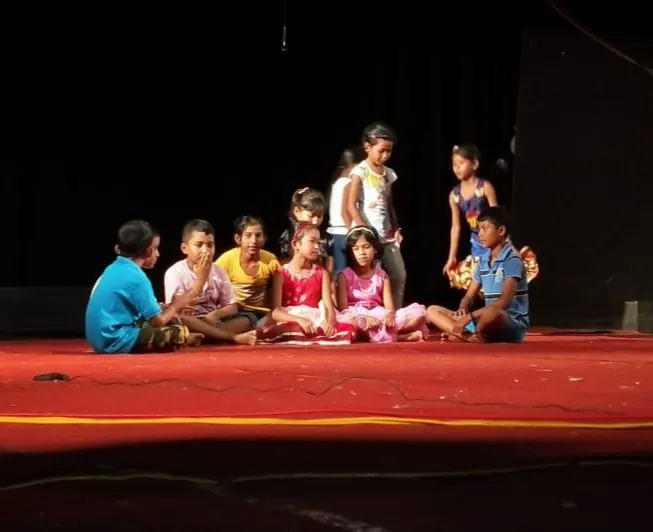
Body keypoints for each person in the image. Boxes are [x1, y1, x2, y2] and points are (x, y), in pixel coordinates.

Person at [86, 220, 203, 354]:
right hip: (116, 340)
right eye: (156, 248)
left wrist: (164, 307)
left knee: (168, 317)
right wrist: (176, 305)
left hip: (98, 340)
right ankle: (184, 338)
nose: (158, 254)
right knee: (178, 329)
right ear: (148, 251)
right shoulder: (137, 277)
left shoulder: (112, 269)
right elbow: (158, 322)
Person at [443, 143, 539, 291]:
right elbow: (455, 227)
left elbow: (497, 216)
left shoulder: (484, 187)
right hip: (477, 243)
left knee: (500, 277)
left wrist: (505, 242)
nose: (457, 168)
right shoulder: (454, 196)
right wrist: (452, 256)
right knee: (482, 282)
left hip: (494, 240)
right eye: (454, 164)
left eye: (461, 163)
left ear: (475, 164)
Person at [427, 206, 529, 343]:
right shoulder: (483, 261)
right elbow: (469, 296)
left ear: (501, 231)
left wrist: (469, 317)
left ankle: (469, 334)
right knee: (432, 310)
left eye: (485, 229)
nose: (480, 234)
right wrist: (463, 308)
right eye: (479, 229)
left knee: (493, 312)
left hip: (508, 323)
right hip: (485, 321)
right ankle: (470, 336)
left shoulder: (512, 260)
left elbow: (504, 302)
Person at [164, 219, 257, 345]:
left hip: (212, 320)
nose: (205, 251)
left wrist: (215, 315)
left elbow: (232, 306)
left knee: (249, 318)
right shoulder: (175, 272)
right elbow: (179, 311)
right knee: (180, 319)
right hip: (190, 321)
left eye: (210, 245)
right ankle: (231, 337)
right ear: (184, 248)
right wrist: (201, 279)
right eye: (199, 245)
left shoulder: (218, 270)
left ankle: (201, 336)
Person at [346, 122, 406, 309]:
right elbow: (351, 205)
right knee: (373, 278)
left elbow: (389, 204)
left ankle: (394, 313)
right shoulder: (360, 172)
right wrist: (365, 231)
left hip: (387, 236)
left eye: (389, 151)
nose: (385, 155)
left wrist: (396, 227)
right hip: (368, 237)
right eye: (381, 151)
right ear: (367, 147)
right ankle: (373, 312)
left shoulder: (388, 174)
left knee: (399, 275)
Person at [266, 222, 355, 343]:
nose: (317, 247)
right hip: (291, 319)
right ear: (295, 244)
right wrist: (299, 320)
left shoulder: (321, 273)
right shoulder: (281, 274)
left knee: (347, 330)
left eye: (318, 243)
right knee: (290, 330)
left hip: (315, 319)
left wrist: (330, 322)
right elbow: (276, 312)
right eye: (312, 241)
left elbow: (328, 306)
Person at [337, 226, 428, 342]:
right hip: (356, 315)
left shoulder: (382, 275)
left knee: (418, 315)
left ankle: (378, 334)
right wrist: (363, 317)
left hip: (378, 314)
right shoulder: (344, 275)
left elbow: (389, 308)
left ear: (375, 249)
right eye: (356, 249)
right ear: (350, 252)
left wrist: (389, 317)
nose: (362, 253)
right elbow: (343, 309)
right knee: (348, 321)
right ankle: (400, 337)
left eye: (366, 247)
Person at [216, 215, 280, 329]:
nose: (253, 240)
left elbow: (280, 288)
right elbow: (211, 284)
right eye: (248, 235)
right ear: (238, 239)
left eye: (258, 235)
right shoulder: (227, 259)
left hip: (259, 313)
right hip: (232, 310)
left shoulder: (270, 260)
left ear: (264, 238)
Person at [326, 146, 359, 275]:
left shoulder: (337, 182)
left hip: (334, 233)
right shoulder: (349, 182)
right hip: (344, 232)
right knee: (346, 273)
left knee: (338, 270)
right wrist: (353, 232)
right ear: (355, 164)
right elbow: (345, 211)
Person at [278, 187, 328, 265]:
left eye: (319, 216)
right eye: (311, 216)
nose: (315, 221)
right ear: (297, 211)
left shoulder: (323, 236)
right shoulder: (289, 235)